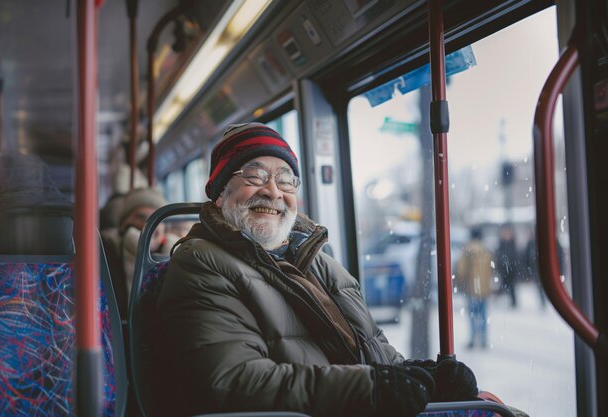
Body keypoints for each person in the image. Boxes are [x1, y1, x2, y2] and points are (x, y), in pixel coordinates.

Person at [157, 123, 478, 417]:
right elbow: (235, 381)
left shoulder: (321, 262)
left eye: (285, 180)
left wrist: (422, 376)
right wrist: (369, 388)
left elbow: (372, 350)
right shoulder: (200, 264)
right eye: (254, 176)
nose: (272, 191)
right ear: (219, 195)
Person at [102, 187, 173, 318]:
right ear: (124, 225)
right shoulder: (105, 252)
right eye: (140, 217)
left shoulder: (175, 254)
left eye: (156, 219)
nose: (148, 225)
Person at [455, 228, 494, 349]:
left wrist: (462, 281)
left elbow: (461, 269)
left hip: (471, 289)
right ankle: (483, 340)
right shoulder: (487, 251)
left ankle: (472, 339)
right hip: (484, 289)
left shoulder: (467, 251)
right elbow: (492, 269)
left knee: (472, 316)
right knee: (483, 315)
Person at [495, 224, 519, 308]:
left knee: (511, 288)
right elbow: (498, 257)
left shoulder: (513, 245)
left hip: (512, 271)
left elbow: (516, 258)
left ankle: (513, 303)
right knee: (504, 287)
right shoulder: (501, 245)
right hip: (503, 271)